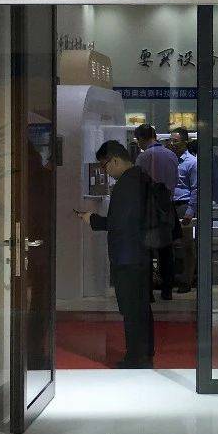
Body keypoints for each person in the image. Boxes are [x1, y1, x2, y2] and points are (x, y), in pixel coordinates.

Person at [75, 140, 154, 369]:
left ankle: (136, 357)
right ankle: (144, 352)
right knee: (140, 307)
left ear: (116, 160)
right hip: (140, 253)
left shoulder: (126, 184)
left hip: (127, 256)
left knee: (131, 308)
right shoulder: (141, 178)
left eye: (105, 165)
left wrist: (92, 219)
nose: (105, 171)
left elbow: (118, 222)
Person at [133, 123, 178, 301]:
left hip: (148, 208)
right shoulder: (171, 155)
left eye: (138, 140)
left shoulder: (143, 157)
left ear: (142, 138)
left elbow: (138, 183)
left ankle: (148, 291)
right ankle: (167, 290)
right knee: (166, 251)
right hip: (167, 207)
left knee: (146, 251)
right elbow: (175, 181)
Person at [171, 126, 198, 292]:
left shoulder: (192, 162)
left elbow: (195, 188)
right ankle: (174, 277)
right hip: (170, 206)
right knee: (172, 245)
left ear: (185, 142)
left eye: (176, 141)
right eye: (171, 141)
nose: (173, 144)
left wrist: (190, 211)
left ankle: (187, 280)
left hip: (183, 206)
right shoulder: (170, 159)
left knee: (186, 245)